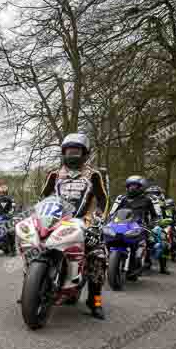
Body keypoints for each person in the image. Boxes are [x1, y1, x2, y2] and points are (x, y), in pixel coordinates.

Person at [40, 132, 109, 319]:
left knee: (97, 255)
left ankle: (95, 301)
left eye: (76, 151)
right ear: (63, 152)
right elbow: (44, 197)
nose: (72, 155)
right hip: (56, 218)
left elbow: (103, 199)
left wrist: (99, 219)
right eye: (69, 151)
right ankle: (31, 287)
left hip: (84, 220)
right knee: (35, 246)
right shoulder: (54, 174)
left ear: (85, 153)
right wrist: (38, 214)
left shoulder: (94, 174)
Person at [109, 176, 166, 273]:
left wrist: (155, 223)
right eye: (130, 186)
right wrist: (108, 221)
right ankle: (108, 262)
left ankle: (159, 266)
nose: (132, 188)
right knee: (106, 238)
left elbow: (156, 215)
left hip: (140, 226)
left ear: (141, 187)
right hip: (121, 225)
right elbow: (112, 213)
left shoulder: (149, 199)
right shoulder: (121, 198)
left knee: (157, 241)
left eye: (135, 186)